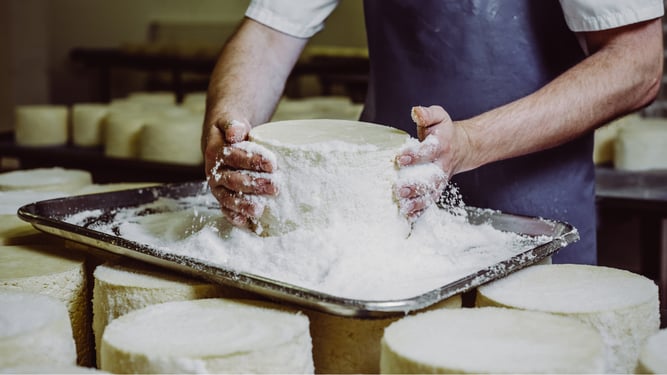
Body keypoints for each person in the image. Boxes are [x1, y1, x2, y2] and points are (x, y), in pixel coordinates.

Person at [202, 0, 664, 265]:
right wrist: (228, 128)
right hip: (374, 224)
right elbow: (268, 34)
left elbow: (637, 61)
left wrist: (469, 143)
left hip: (533, 225)